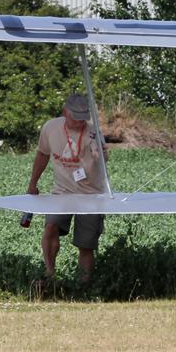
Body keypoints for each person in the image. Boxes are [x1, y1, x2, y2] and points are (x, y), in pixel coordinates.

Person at [28, 93, 108, 289]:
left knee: (86, 244)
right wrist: (32, 183)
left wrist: (100, 155)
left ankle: (83, 287)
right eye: (76, 117)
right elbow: (42, 154)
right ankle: (50, 274)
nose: (81, 121)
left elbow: (103, 159)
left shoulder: (93, 132)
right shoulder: (50, 128)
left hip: (91, 195)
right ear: (65, 112)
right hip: (62, 192)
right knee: (51, 227)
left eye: (84, 117)